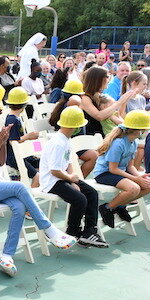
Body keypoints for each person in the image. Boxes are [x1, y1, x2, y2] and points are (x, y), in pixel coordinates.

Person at [0, 80, 74, 277]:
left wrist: (2, 143)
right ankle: (49, 229)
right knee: (21, 188)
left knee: (19, 206)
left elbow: (1, 162)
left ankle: (6, 255)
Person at [40, 106, 106, 247]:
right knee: (80, 199)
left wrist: (72, 178)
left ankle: (90, 231)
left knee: (92, 193)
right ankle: (73, 232)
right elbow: (54, 171)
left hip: (62, 177)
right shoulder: (58, 142)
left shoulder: (66, 139)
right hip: (52, 182)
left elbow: (68, 161)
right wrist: (70, 179)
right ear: (74, 127)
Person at [92, 110, 150, 227]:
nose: (147, 131)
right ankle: (107, 208)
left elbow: (130, 166)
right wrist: (136, 180)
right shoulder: (119, 143)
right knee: (134, 188)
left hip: (119, 171)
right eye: (147, 129)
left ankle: (120, 205)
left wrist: (140, 177)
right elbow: (113, 169)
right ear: (139, 130)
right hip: (105, 173)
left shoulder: (134, 142)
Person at [80, 66, 134, 136]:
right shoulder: (85, 98)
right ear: (98, 79)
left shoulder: (101, 95)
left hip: (104, 135)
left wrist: (124, 101)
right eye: (107, 76)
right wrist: (119, 102)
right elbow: (99, 116)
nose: (109, 79)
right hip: (92, 138)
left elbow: (117, 115)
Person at [4, 88, 40, 184]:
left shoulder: (15, 118)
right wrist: (29, 136)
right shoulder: (13, 120)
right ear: (24, 105)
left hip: (21, 154)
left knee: (42, 164)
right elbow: (13, 142)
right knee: (37, 176)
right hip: (14, 157)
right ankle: (30, 197)